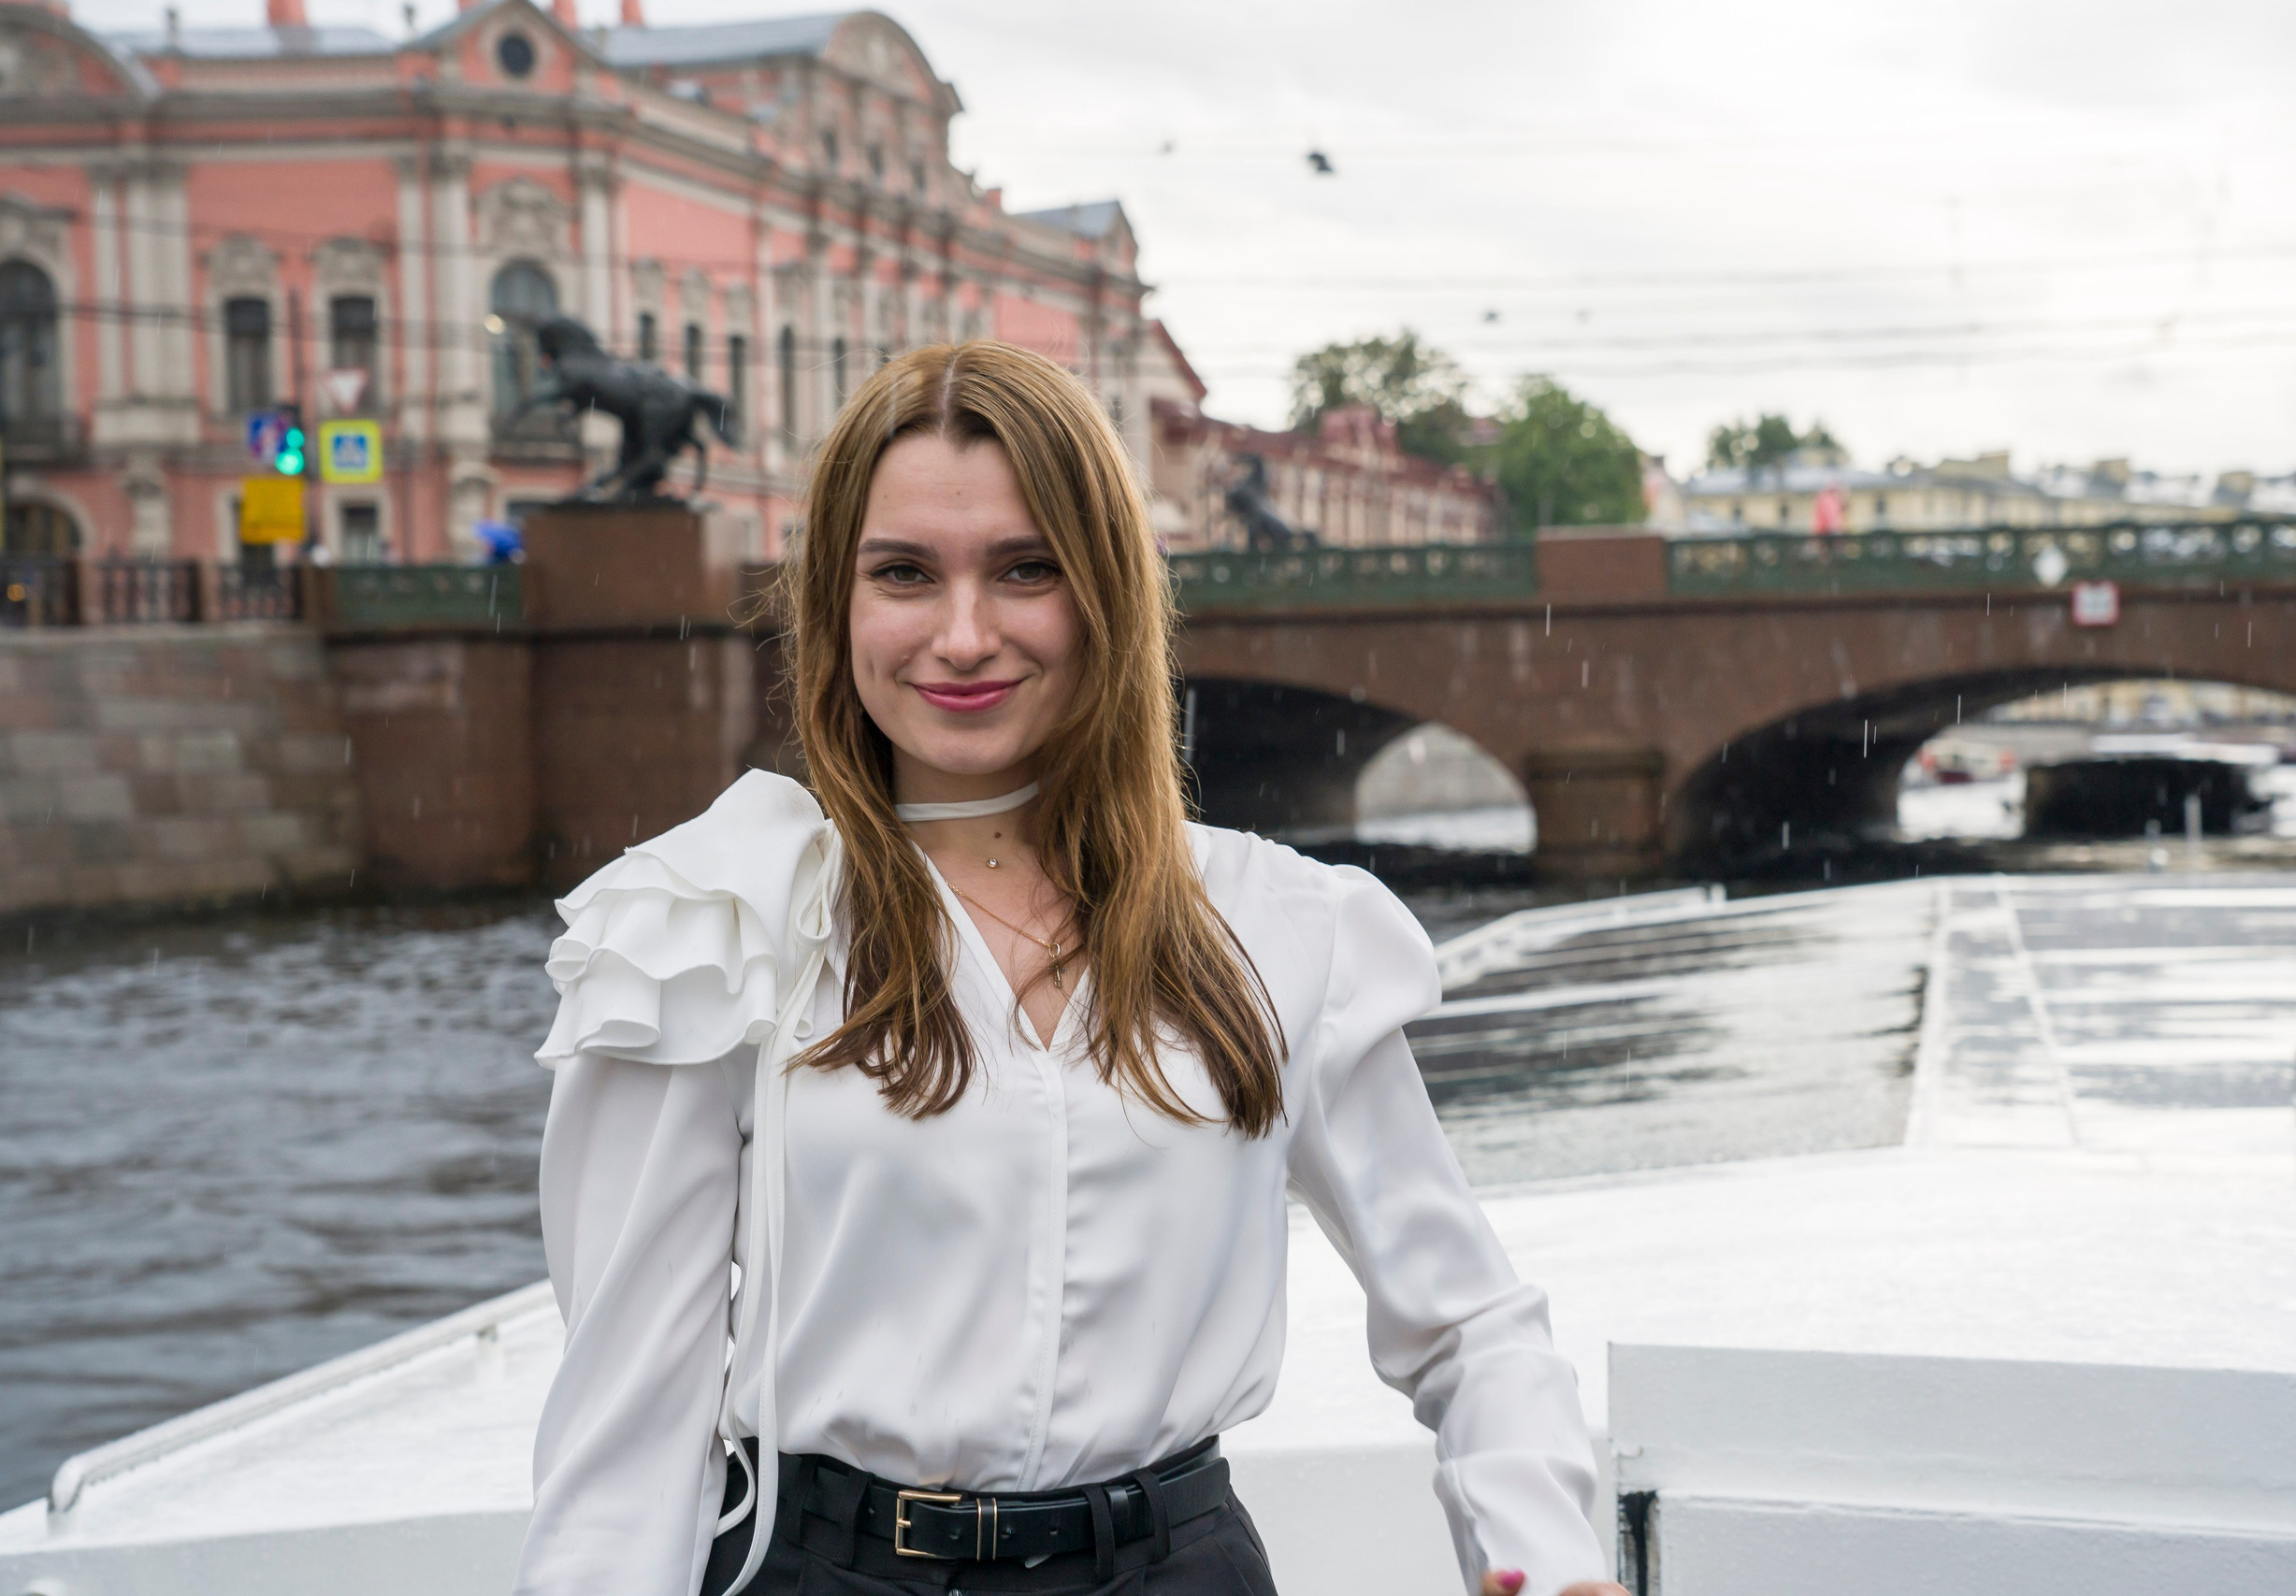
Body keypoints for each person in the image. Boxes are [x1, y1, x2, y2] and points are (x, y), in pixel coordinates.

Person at [514, 341, 1623, 1596]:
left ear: (1106, 591)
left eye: (1025, 569)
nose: (964, 634)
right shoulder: (707, 925)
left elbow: (1470, 1326)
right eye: (905, 575)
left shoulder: (1277, 926)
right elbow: (626, 1424)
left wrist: (1541, 1551)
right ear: (835, 603)